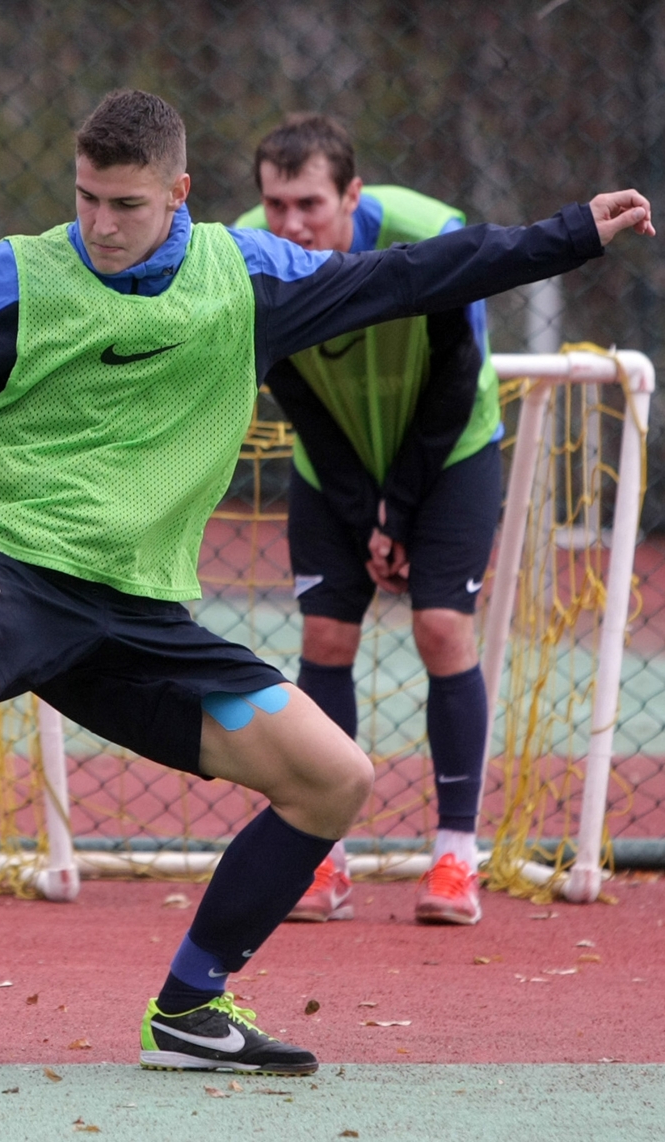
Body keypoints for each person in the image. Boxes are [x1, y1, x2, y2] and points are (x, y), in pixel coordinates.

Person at [0, 90, 650, 1075]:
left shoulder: (248, 275)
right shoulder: (16, 276)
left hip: (140, 610)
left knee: (335, 777)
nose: (100, 223)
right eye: (86, 196)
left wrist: (566, 234)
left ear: (179, 194)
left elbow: (414, 276)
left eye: (126, 204)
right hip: (10, 565)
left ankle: (189, 1006)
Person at [237, 114, 504, 925]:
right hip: (336, 458)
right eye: (276, 204)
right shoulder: (246, 255)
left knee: (441, 629)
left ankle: (456, 856)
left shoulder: (431, 234)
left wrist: (403, 511)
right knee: (325, 639)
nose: (291, 225)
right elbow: (301, 402)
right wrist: (367, 516)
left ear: (353, 193)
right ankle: (324, 859)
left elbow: (455, 380)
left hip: (448, 449)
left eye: (310, 203)